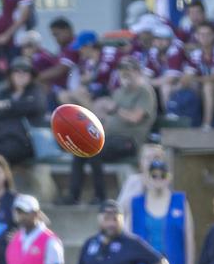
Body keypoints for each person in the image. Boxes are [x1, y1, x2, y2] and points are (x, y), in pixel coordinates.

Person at [62, 57, 157, 205]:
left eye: (129, 70)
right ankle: (73, 196)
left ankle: (100, 196)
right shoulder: (119, 92)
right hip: (110, 138)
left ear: (138, 72)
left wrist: (115, 108)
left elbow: (135, 118)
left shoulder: (144, 91)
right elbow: (109, 117)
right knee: (80, 149)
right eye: (122, 71)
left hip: (130, 141)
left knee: (94, 151)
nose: (125, 74)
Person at [0, 56, 45, 170]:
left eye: (25, 71)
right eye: (16, 71)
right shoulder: (4, 92)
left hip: (24, 141)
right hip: (0, 138)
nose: (21, 74)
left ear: (31, 75)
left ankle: (0, 187)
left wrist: (7, 105)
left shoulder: (36, 91)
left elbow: (34, 106)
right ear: (10, 75)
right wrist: (18, 106)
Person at [176, 20, 214, 128]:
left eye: (208, 34)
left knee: (208, 86)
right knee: (182, 85)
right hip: (205, 91)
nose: (204, 37)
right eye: (201, 34)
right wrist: (187, 81)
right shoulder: (196, 54)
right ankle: (179, 120)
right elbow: (186, 78)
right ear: (196, 36)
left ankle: (206, 124)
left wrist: (194, 80)